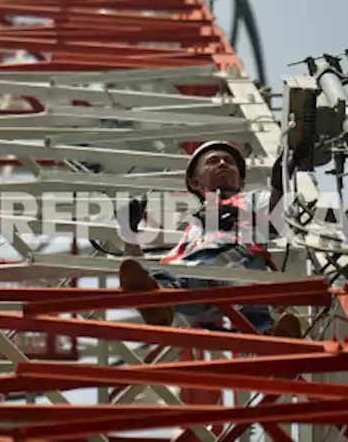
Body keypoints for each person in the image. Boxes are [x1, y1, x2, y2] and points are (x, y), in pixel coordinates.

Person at [117, 140, 302, 338]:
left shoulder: (252, 201)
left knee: (247, 289)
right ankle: (157, 302)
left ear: (240, 182)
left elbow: (276, 216)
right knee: (168, 274)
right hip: (195, 284)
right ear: (195, 182)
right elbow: (141, 268)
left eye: (229, 162)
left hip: (238, 271)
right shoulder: (192, 232)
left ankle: (270, 337)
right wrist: (130, 233)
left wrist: (279, 185)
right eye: (213, 161)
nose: (223, 164)